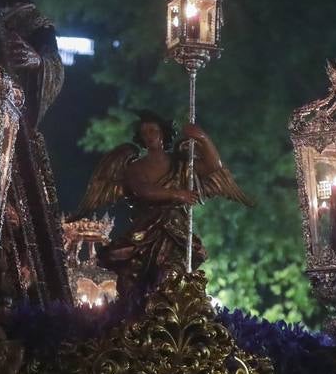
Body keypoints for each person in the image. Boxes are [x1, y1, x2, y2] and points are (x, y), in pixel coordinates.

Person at [78, 111, 252, 299]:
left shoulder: (180, 163)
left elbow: (213, 166)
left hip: (175, 229)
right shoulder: (135, 167)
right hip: (145, 230)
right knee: (134, 273)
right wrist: (178, 194)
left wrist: (202, 137)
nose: (149, 135)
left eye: (153, 130)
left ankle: (169, 307)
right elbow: (143, 190)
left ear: (163, 133)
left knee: (173, 273)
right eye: (144, 132)